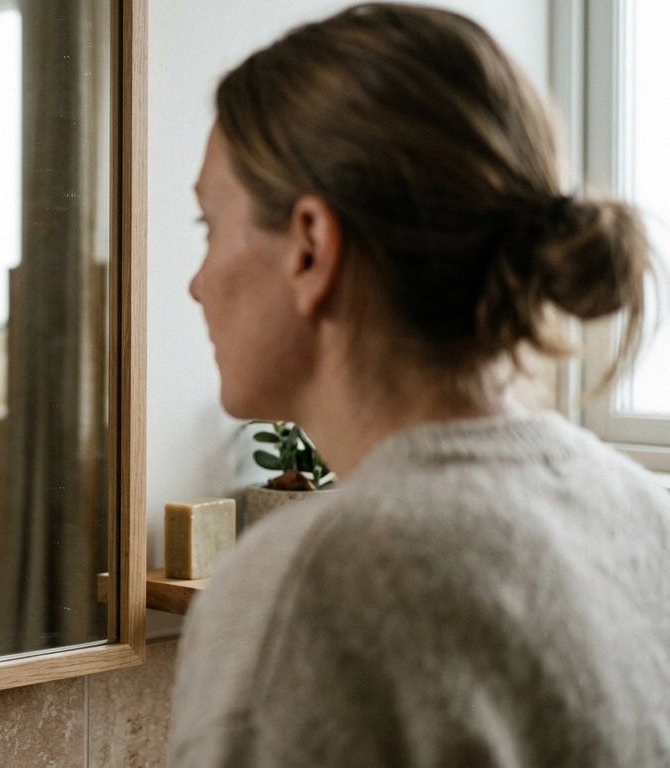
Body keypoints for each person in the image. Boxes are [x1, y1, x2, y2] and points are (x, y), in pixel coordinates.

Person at [172, 4, 670, 766]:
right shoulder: (645, 518)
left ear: (310, 247)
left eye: (210, 227)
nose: (196, 286)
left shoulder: (310, 591)